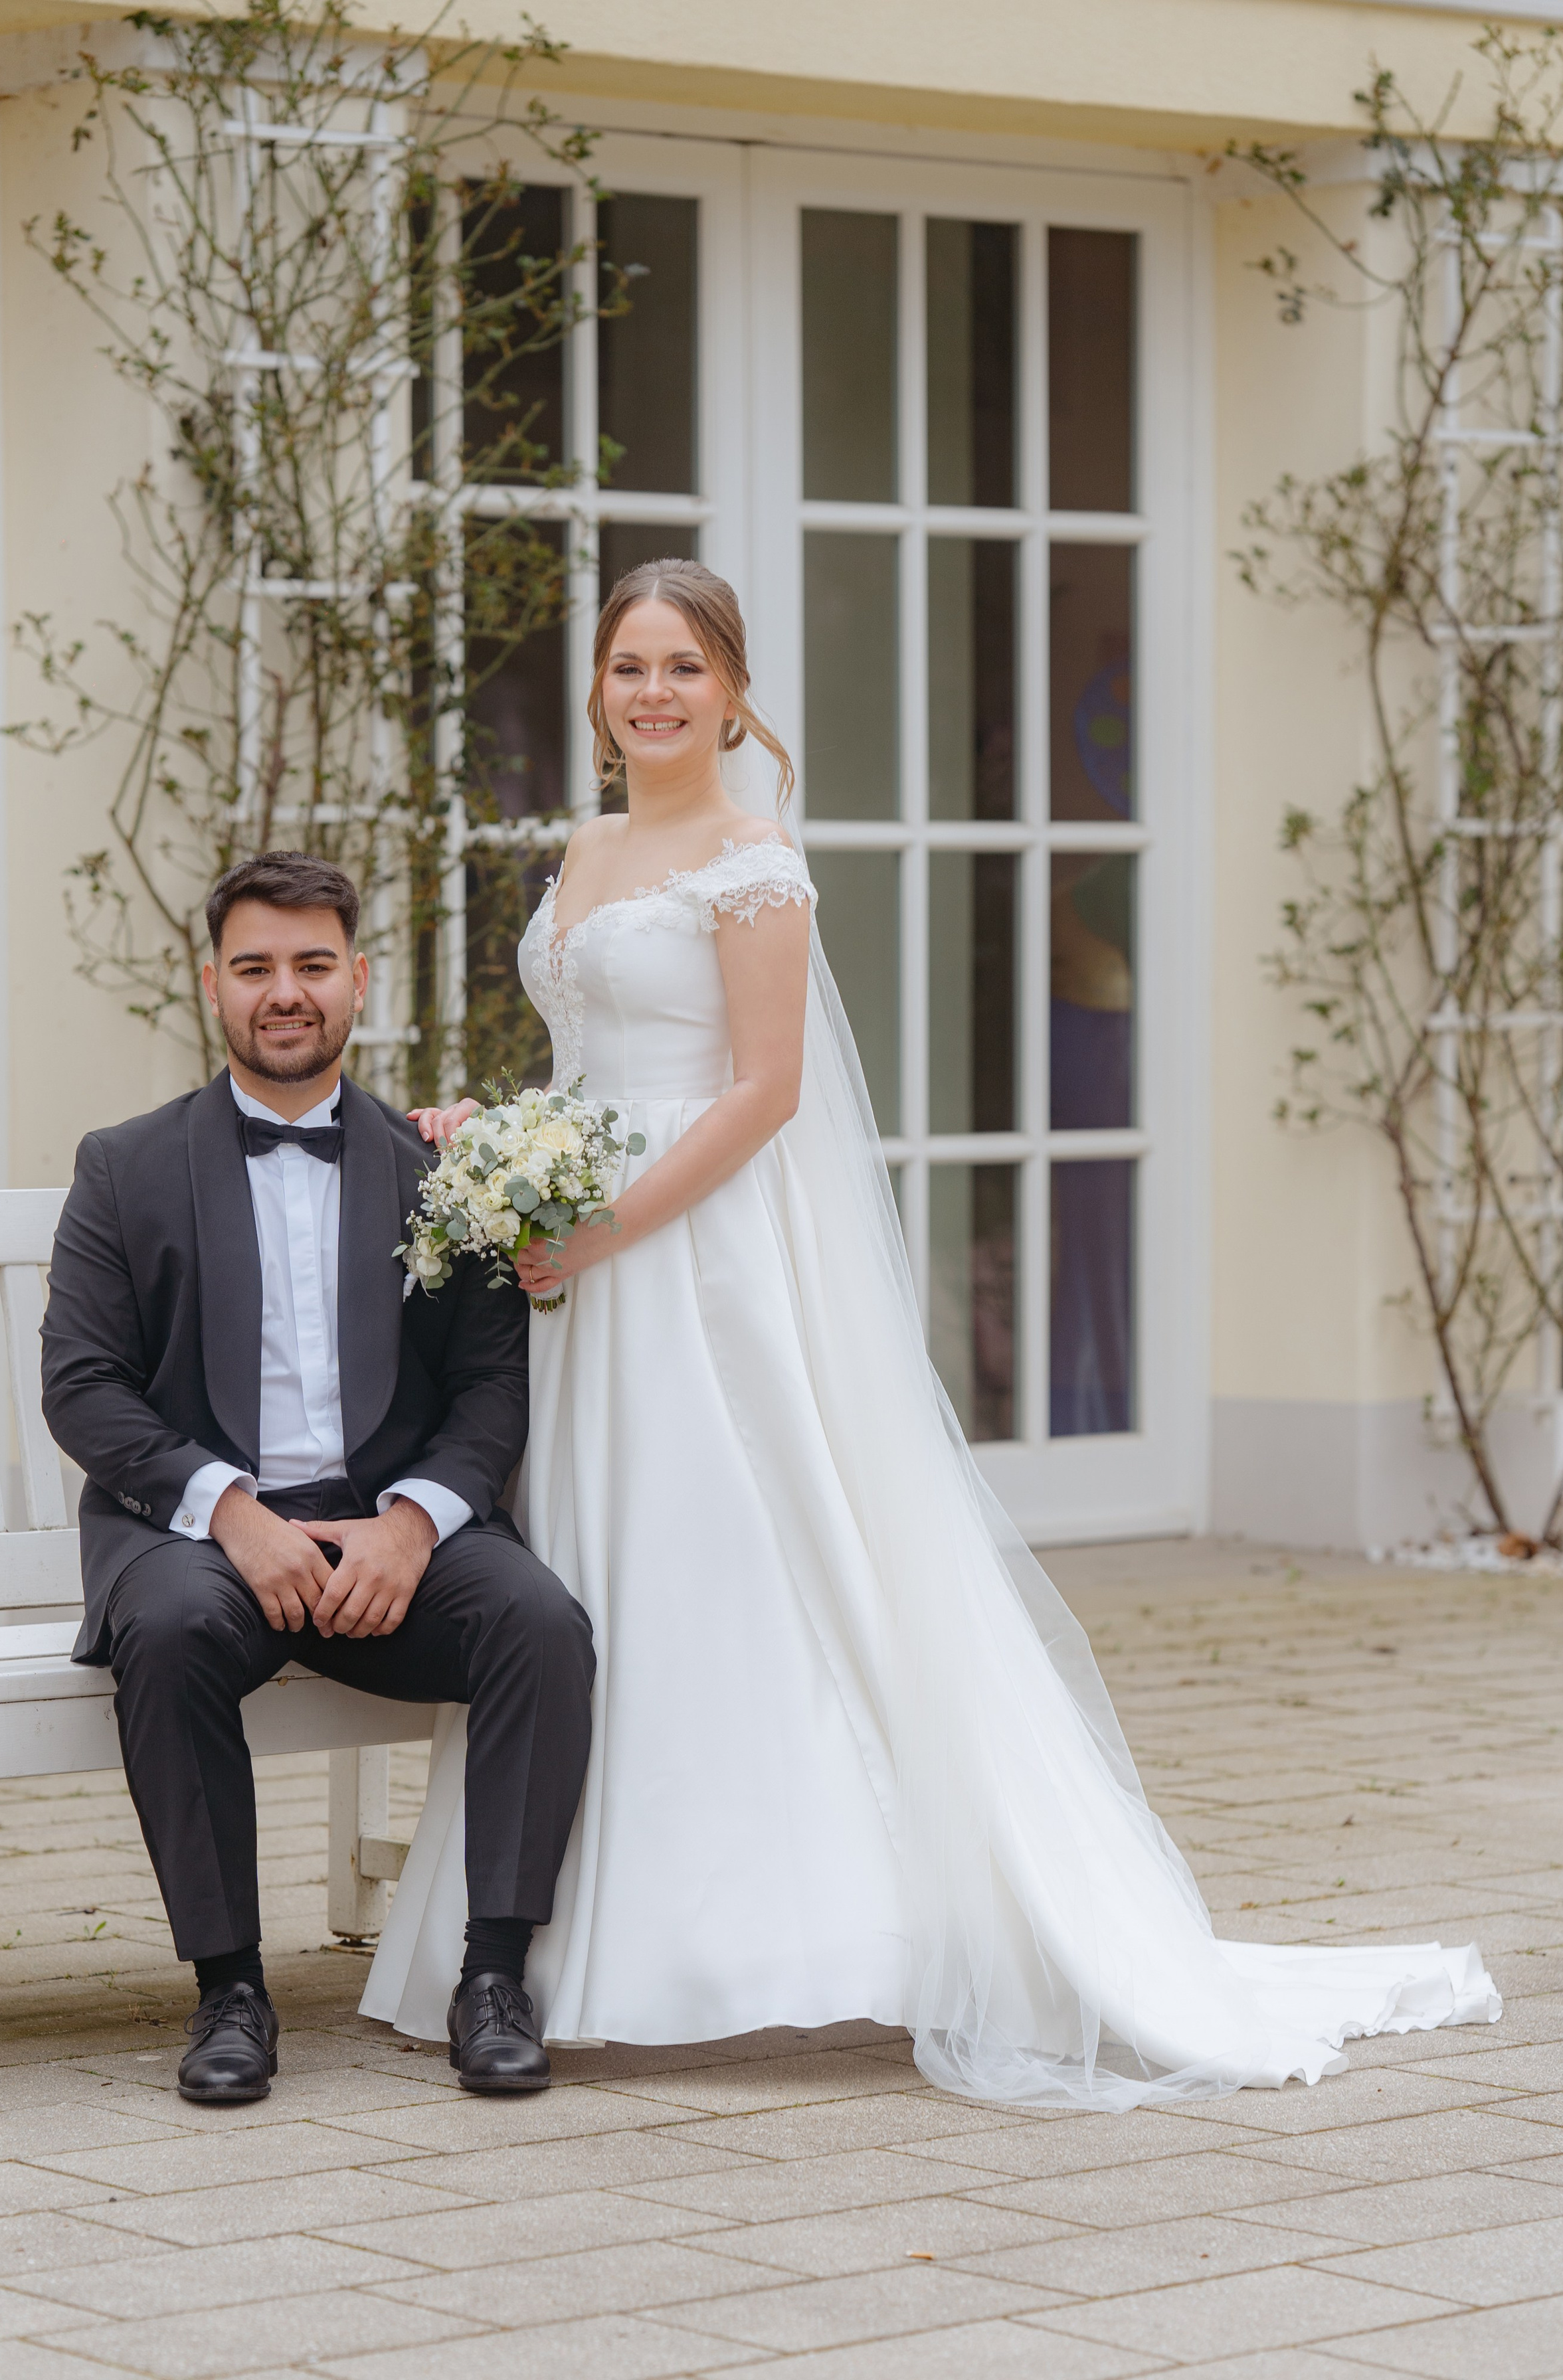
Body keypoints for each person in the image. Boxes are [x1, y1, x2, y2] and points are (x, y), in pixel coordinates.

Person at [363, 560, 1502, 2106]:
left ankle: (771, 1932)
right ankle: (544, 1935)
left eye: (683, 667)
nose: (652, 693)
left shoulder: (752, 859)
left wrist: (606, 1222)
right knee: (586, 1572)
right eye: (628, 665)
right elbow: (597, 1063)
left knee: (721, 1557)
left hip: (695, 1256)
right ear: (598, 690)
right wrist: (501, 1137)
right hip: (582, 1260)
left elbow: (761, 1090)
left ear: (732, 690)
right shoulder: (586, 843)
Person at [41, 852, 595, 2104]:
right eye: (254, 969)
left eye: (309, 966)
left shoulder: (439, 1169)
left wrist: (412, 1526)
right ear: (212, 987)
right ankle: (230, 1990)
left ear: (357, 980)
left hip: (386, 1541)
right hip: (203, 1540)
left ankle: (495, 1973)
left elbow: (490, 1388)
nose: (282, 993)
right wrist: (231, 1517)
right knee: (171, 1630)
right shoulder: (123, 1168)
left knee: (541, 1623)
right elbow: (84, 1386)